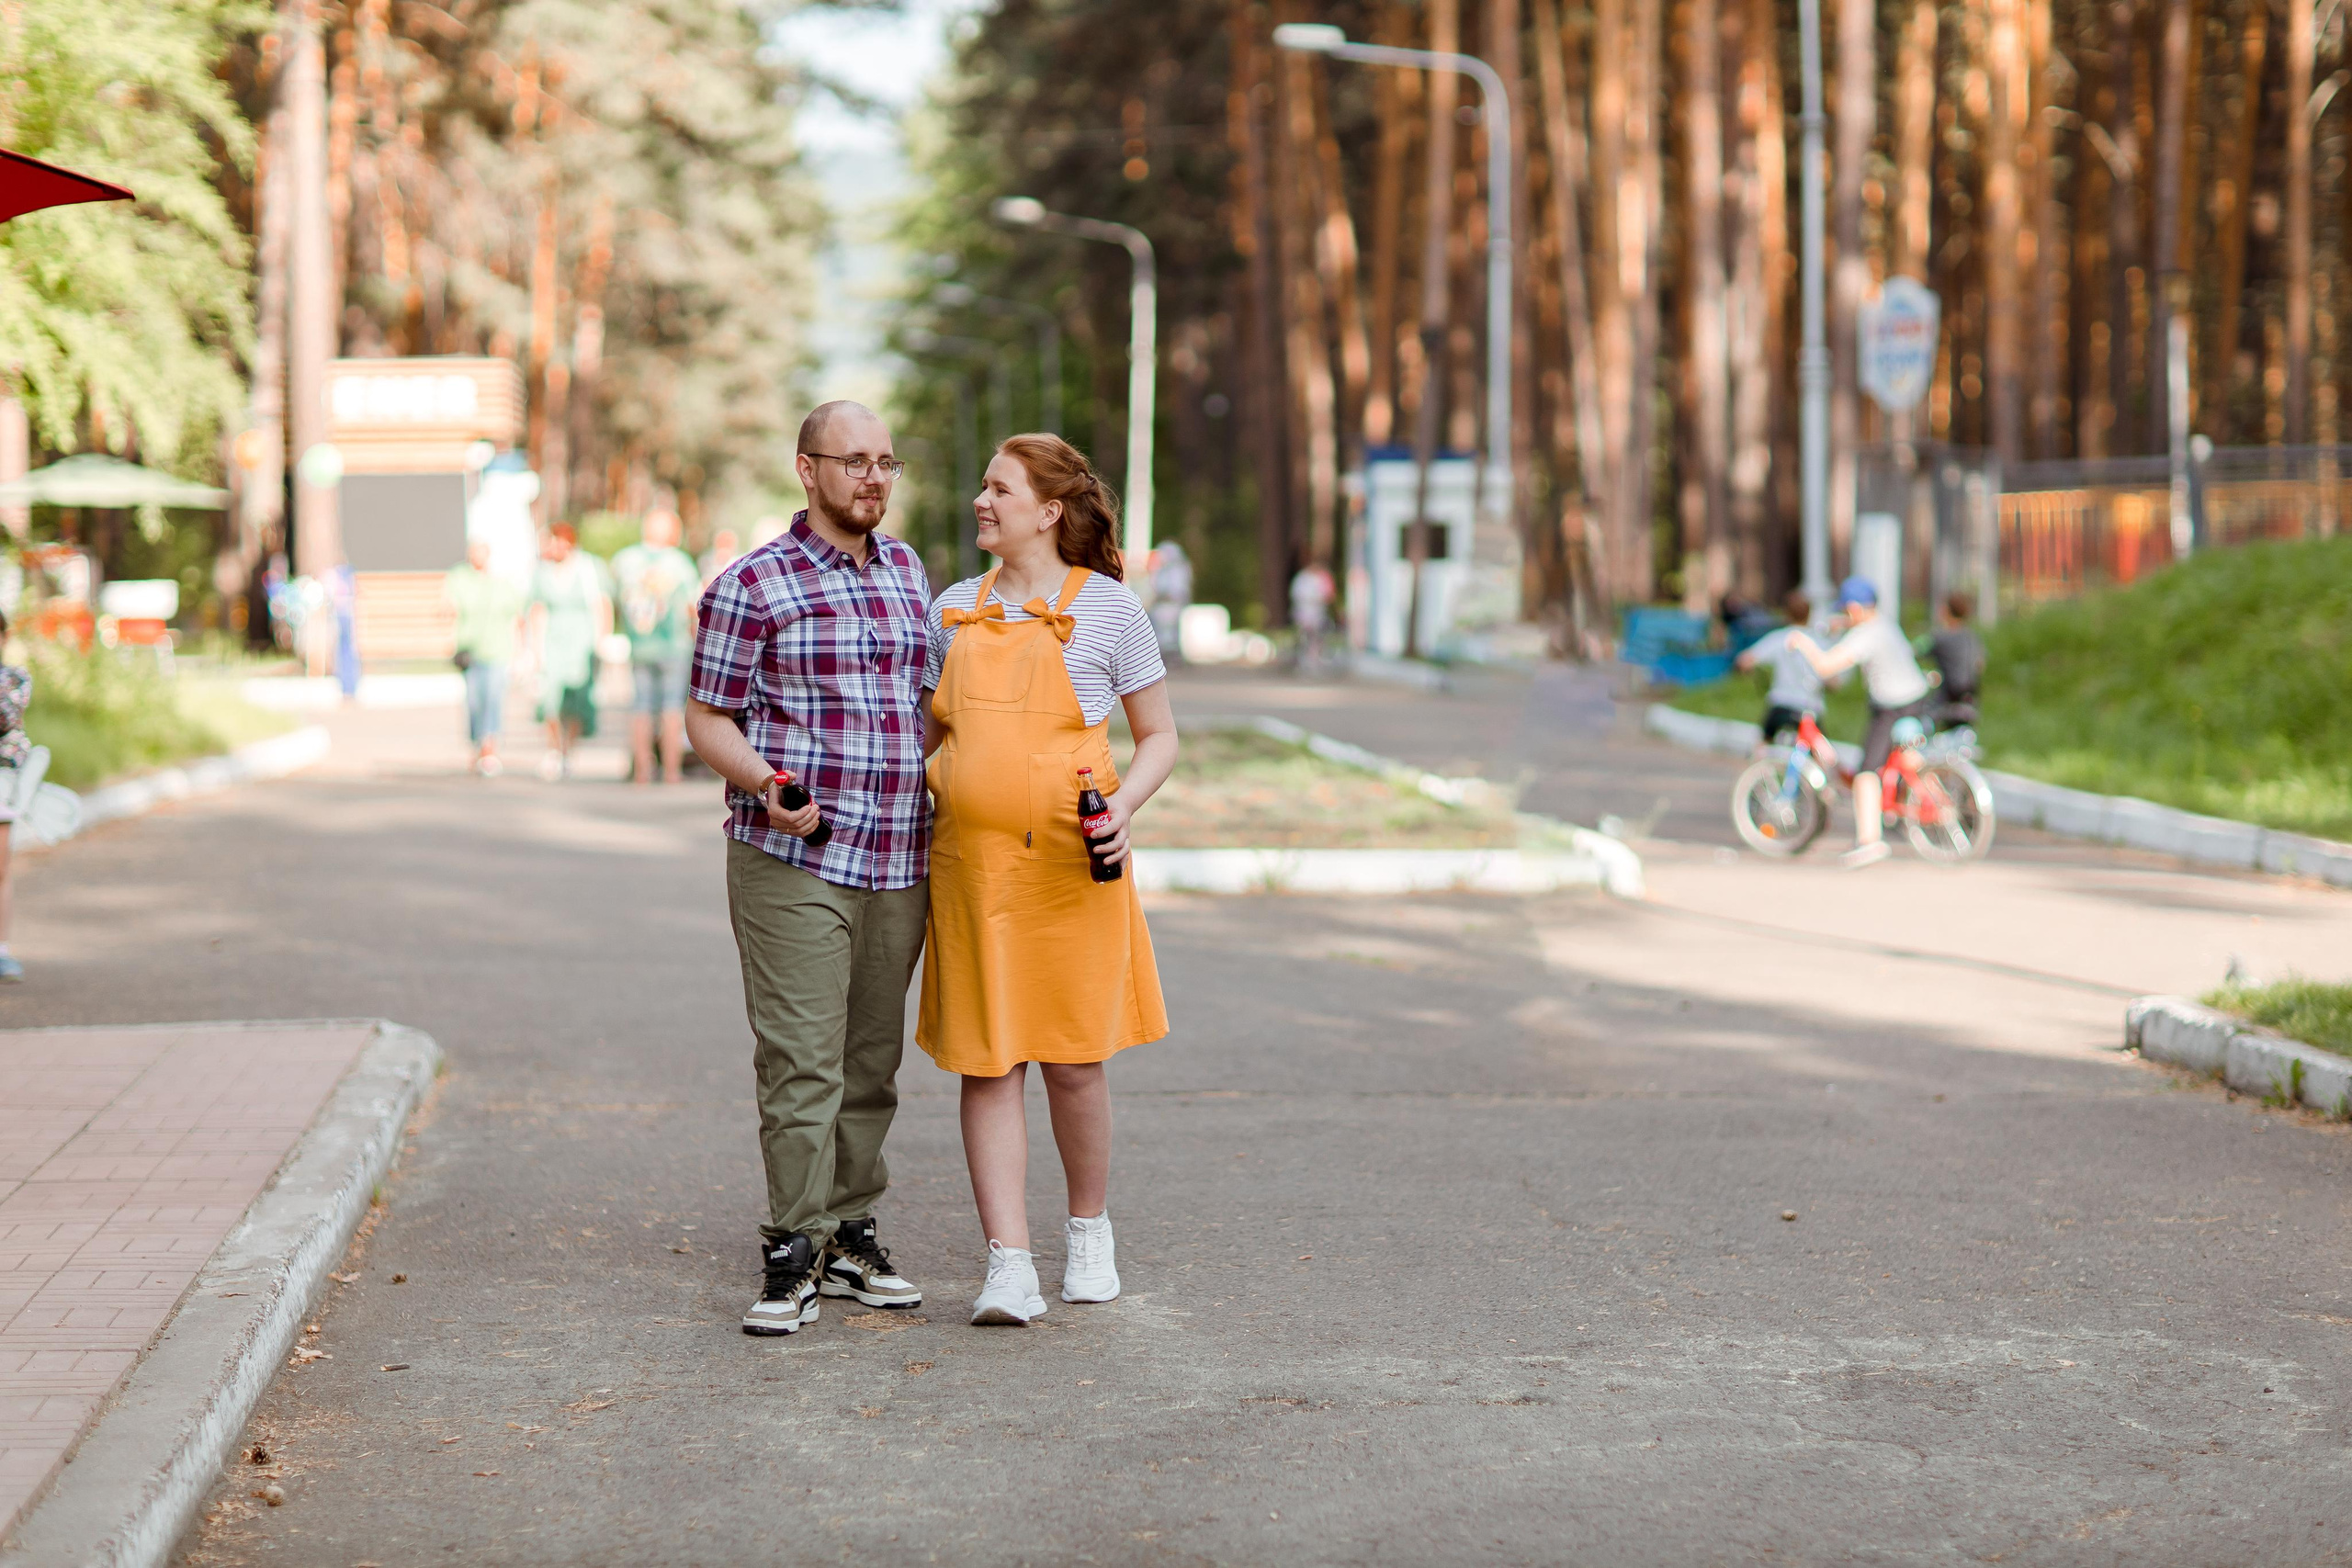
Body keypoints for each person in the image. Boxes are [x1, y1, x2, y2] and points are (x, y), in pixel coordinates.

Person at [684, 400, 934, 1337]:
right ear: (807, 469)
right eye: (853, 461)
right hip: (793, 853)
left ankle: (848, 1233)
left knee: (871, 1062)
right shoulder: (752, 585)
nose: (873, 478)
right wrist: (765, 780)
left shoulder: (908, 571)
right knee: (803, 1061)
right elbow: (707, 718)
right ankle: (792, 1246)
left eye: (885, 463)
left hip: (900, 854)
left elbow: (929, 703)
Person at [919, 434, 1175, 1327]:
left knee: (1072, 1063)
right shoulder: (951, 609)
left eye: (998, 488)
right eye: (983, 486)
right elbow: (926, 742)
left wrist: (1123, 809)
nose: (980, 500)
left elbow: (1161, 740)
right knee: (986, 1065)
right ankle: (1007, 1265)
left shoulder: (1108, 610)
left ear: (1047, 510)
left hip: (1076, 868)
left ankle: (1088, 1231)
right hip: (972, 874)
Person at [1790, 577, 1932, 870]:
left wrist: (1803, 642)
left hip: (1890, 706)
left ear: (1854, 608)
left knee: (1867, 773)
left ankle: (1869, 841)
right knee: (1907, 761)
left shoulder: (1866, 635)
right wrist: (1837, 626)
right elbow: (1851, 629)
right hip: (1916, 698)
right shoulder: (1884, 625)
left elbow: (1827, 666)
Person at [612, 507, 702, 785]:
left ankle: (641, 771)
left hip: (640, 646)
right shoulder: (681, 563)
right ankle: (671, 772)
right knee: (672, 708)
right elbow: (693, 608)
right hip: (674, 646)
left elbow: (618, 599)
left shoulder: (625, 560)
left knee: (640, 707)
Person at [527, 523, 610, 781]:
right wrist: (534, 647)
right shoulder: (542, 573)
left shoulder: (587, 568)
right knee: (549, 698)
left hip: (581, 639)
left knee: (576, 698)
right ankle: (553, 748)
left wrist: (602, 639)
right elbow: (537, 609)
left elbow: (601, 604)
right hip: (553, 639)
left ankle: (567, 750)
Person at [1734, 590, 1842, 771]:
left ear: (1786, 614)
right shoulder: (1818, 642)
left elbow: (1745, 660)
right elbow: (1833, 681)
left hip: (1781, 704)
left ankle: (1756, 775)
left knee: (1763, 743)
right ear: (1809, 614)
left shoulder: (1780, 638)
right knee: (1821, 755)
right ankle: (1824, 786)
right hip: (1810, 708)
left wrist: (1747, 670)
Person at [444, 536, 526, 777]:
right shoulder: (459, 578)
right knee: (473, 702)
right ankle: (477, 746)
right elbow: (447, 605)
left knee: (492, 699)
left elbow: (518, 615)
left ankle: (490, 749)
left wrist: (522, 651)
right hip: (470, 650)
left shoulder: (501, 583)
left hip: (497, 650)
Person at [0, 609, 29, 982]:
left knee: (0, 869)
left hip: (2, 781)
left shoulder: (16, 679)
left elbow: (4, 718)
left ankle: (1, 948)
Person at [1928, 591, 1985, 723]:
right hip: (1970, 695)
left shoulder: (1940, 637)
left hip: (1947, 697)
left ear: (1947, 611)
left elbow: (1915, 651)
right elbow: (1980, 664)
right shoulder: (1972, 637)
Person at [1146, 539, 1191, 660]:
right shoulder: (1161, 570)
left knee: (1169, 636)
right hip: (1161, 608)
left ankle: (1172, 657)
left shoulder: (1178, 570)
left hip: (1171, 607)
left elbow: (1177, 591)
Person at [1290, 559, 1336, 672]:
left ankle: (1314, 660)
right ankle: (1304, 660)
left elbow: (1328, 595)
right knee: (1306, 638)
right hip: (1305, 614)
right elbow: (1298, 595)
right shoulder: (1303, 579)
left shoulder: (1320, 579)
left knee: (1316, 638)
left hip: (1317, 614)